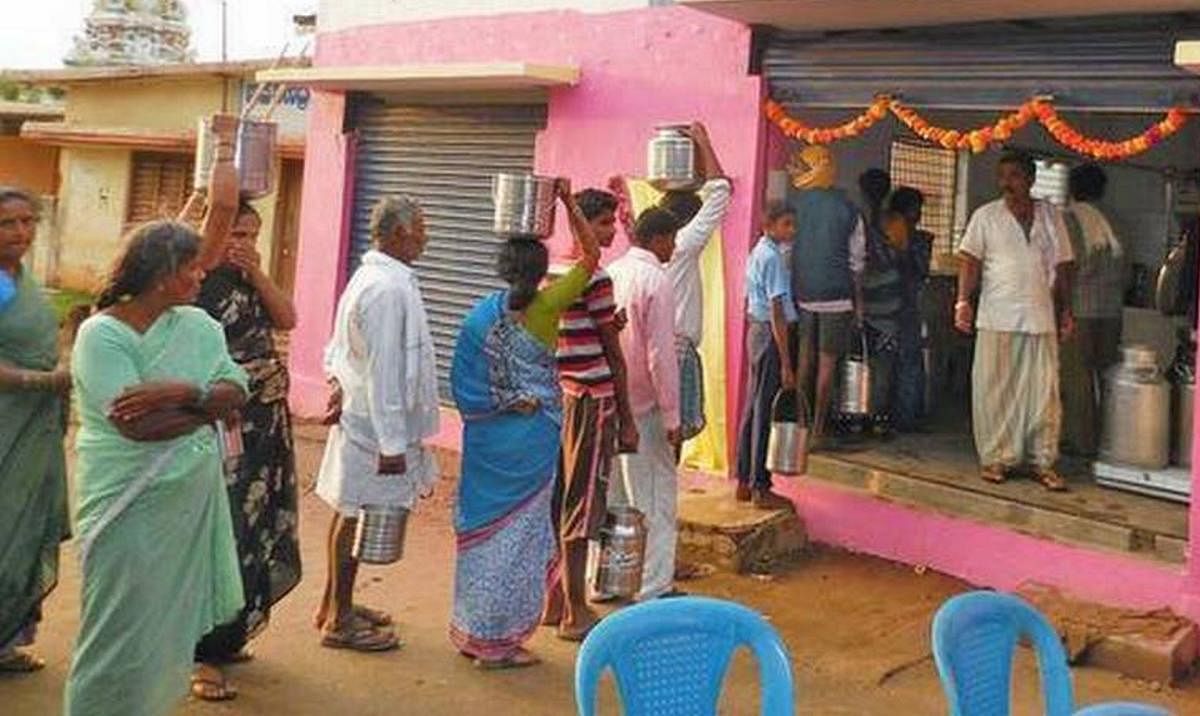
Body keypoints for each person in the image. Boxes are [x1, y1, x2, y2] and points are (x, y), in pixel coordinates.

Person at [65, 118, 246, 716]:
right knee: (116, 630)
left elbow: (234, 393)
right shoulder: (101, 336)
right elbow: (134, 426)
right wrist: (205, 407)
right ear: (159, 276)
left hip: (183, 503)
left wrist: (180, 391)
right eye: (192, 268)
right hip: (126, 502)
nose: (202, 274)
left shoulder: (195, 325)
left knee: (162, 632)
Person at [449, 181, 599, 669]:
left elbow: (462, 382)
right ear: (539, 273)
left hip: (488, 441)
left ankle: (476, 632)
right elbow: (592, 256)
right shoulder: (549, 306)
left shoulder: (480, 316)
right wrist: (567, 202)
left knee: (486, 535)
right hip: (533, 438)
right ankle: (501, 643)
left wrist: (503, 401)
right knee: (521, 536)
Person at [314, 195, 439, 653]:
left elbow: (339, 350)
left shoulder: (377, 278)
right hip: (374, 423)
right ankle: (340, 619)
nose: (425, 235)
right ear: (397, 233)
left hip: (363, 413)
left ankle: (334, 605)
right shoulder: (385, 289)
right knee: (356, 515)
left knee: (348, 510)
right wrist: (392, 443)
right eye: (420, 226)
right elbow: (385, 369)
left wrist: (334, 382)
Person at [190, 201, 301, 696]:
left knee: (254, 529)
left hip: (265, 424)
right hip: (223, 424)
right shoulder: (193, 284)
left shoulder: (248, 277)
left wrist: (258, 274)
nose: (245, 242)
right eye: (236, 232)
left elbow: (287, 318)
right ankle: (200, 653)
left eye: (253, 233)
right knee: (223, 530)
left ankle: (231, 633)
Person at [540, 188, 637, 641]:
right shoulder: (595, 277)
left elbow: (574, 330)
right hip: (592, 398)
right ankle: (575, 610)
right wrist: (628, 418)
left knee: (559, 498)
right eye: (603, 223)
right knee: (581, 505)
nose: (612, 231)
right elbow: (614, 357)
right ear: (584, 224)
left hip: (560, 395)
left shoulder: (551, 273)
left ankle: (555, 598)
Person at [955, 150, 1074, 491]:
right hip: (997, 315)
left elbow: (1065, 265)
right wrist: (963, 301)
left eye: (1015, 176)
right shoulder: (986, 216)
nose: (1007, 183)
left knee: (1043, 392)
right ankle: (996, 458)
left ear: (1031, 180)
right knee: (995, 389)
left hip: (1040, 317)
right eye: (1003, 176)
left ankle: (1043, 460)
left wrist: (1066, 309)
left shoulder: (1051, 216)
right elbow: (970, 261)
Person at [0, 187, 72, 675]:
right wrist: (43, 380)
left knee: (24, 528)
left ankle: (5, 638)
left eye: (28, 222)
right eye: (8, 224)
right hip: (8, 422)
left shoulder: (20, 279)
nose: (22, 233)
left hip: (35, 425)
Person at [607, 207, 683, 600]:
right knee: (655, 495)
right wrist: (672, 414)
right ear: (657, 239)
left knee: (614, 496)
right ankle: (653, 585)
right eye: (671, 239)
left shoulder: (613, 271)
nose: (674, 246)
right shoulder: (657, 279)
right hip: (646, 407)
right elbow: (660, 355)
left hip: (614, 402)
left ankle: (607, 579)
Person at [658, 122, 732, 447]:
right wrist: (704, 140)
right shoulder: (684, 244)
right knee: (673, 437)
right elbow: (720, 192)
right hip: (676, 352)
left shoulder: (646, 251)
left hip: (653, 348)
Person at [787, 145, 866, 447]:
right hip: (837, 295)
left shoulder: (795, 206)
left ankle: (800, 426)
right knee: (827, 364)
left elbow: (789, 249)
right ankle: (819, 431)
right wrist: (859, 303)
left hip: (804, 292)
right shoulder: (849, 210)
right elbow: (857, 263)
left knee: (804, 360)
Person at [734, 201, 797, 508]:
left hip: (755, 331)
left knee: (752, 405)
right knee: (763, 408)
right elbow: (777, 311)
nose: (791, 230)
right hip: (769, 335)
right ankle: (760, 484)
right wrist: (786, 361)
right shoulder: (772, 258)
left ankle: (744, 478)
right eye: (786, 224)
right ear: (769, 226)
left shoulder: (758, 252)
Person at [1060, 163, 1124, 457]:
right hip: (1111, 311)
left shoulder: (1070, 219)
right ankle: (1112, 438)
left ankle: (1082, 441)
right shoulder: (1115, 221)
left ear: (1072, 188)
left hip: (1080, 310)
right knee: (1109, 377)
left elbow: (1069, 266)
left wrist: (1062, 307)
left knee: (1077, 377)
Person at [857, 169, 903, 437]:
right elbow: (901, 257)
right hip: (888, 303)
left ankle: (858, 413)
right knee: (883, 364)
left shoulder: (859, 221)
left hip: (865, 302)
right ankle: (878, 417)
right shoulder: (894, 222)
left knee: (863, 361)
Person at [888, 187, 934, 432]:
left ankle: (898, 414)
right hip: (904, 305)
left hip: (888, 305)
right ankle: (906, 417)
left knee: (899, 361)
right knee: (909, 361)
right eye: (916, 209)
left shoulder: (885, 233)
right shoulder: (915, 240)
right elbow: (920, 271)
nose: (919, 214)